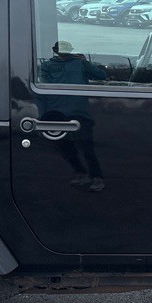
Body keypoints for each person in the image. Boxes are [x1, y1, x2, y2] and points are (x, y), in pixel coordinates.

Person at [36, 41, 107, 192]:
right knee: (64, 146)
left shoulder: (80, 64)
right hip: (56, 112)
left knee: (87, 146)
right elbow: (42, 90)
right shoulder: (47, 66)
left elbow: (102, 75)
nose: (64, 51)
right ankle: (81, 173)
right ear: (54, 50)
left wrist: (86, 62)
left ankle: (97, 177)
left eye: (67, 49)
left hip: (79, 111)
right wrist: (43, 116)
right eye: (60, 49)